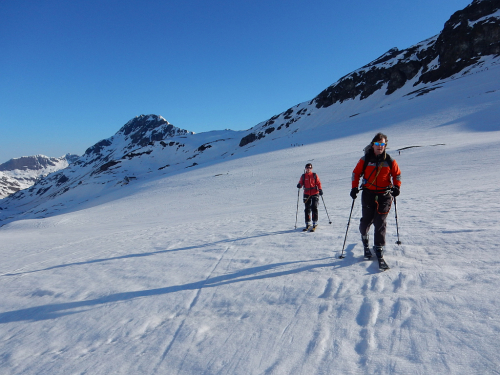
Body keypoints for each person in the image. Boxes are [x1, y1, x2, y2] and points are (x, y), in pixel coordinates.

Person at [350, 133, 401, 268]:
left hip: (384, 195)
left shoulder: (390, 160)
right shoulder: (365, 159)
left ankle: (379, 247)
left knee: (380, 221)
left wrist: (397, 187)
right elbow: (355, 173)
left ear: (385, 145)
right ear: (373, 144)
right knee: (366, 221)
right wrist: (354, 188)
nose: (380, 147)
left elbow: (397, 174)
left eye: (382, 144)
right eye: (377, 144)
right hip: (368, 194)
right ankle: (364, 238)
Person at [297, 163, 323, 231]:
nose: (308, 169)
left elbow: (318, 183)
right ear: (305, 168)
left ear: (311, 168)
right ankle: (307, 223)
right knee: (307, 208)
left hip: (315, 192)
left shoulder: (314, 175)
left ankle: (315, 222)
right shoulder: (303, 176)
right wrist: (299, 185)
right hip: (306, 193)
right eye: (307, 167)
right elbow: (301, 182)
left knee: (314, 207)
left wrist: (320, 189)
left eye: (310, 167)